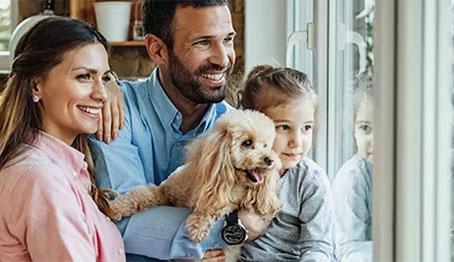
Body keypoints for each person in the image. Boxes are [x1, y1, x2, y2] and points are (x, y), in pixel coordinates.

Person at [89, 0, 250, 261]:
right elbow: (120, 219)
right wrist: (232, 227)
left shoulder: (238, 130)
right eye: (203, 43)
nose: (223, 58)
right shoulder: (117, 111)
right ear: (157, 50)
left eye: (228, 40)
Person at [0, 17, 125, 261]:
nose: (102, 94)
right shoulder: (41, 178)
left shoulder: (62, 166)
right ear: (36, 85)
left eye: (105, 78)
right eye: (84, 77)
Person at [238, 65, 335, 261]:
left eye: (306, 128)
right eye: (283, 127)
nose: (297, 142)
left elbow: (318, 247)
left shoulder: (310, 180)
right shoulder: (237, 170)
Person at [331, 83, 374, 262]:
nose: (375, 139)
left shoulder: (413, 171)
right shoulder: (353, 178)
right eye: (365, 128)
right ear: (353, 131)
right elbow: (348, 248)